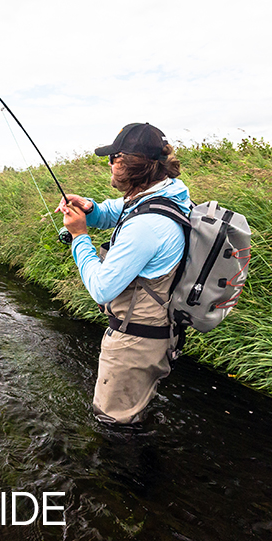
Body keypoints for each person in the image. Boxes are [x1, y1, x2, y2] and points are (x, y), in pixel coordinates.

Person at [57, 123, 191, 424]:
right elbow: (116, 210)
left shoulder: (145, 227)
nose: (108, 164)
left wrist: (79, 238)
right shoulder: (168, 192)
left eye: (113, 158)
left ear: (128, 165)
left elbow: (102, 289)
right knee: (136, 413)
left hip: (134, 343)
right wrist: (89, 208)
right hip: (155, 333)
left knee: (113, 425)